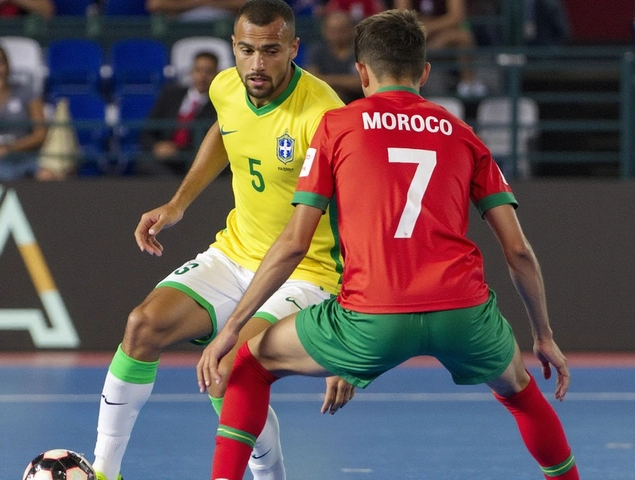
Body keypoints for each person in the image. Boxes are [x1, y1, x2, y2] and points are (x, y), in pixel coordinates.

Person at [199, 9, 580, 480]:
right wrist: (543, 336)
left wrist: (233, 327)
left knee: (246, 364)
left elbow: (297, 241)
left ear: (361, 72)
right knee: (521, 393)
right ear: (424, 72)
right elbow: (518, 251)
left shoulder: (337, 126)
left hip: (371, 319)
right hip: (462, 313)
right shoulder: (464, 136)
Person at [90, 1, 354, 480]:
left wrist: (351, 347)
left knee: (229, 368)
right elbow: (223, 129)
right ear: (233, 46)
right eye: (247, 50)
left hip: (308, 272)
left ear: (293, 48)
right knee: (142, 325)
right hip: (236, 253)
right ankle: (105, 472)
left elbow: (361, 216)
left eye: (271, 51)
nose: (257, 63)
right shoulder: (227, 85)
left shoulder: (323, 116)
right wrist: (179, 202)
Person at [139, 51, 219, 176]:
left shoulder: (218, 105)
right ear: (191, 72)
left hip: (193, 162)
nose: (203, 76)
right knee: (145, 165)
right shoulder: (170, 95)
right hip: (164, 161)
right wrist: (156, 146)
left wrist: (178, 150)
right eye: (199, 70)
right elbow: (148, 129)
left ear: (216, 75)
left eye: (208, 71)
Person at [393, 0, 487, 97]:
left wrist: (429, 27)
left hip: (443, 33)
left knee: (464, 37)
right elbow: (402, 16)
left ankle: (468, 85)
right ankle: (406, 89)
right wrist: (420, 29)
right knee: (400, 40)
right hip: (416, 36)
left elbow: (456, 16)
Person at [0, 43, 47, 181]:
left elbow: (40, 133)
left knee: (47, 175)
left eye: (0, 61)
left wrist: (11, 148)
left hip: (25, 156)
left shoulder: (25, 91)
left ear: (8, 65)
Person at [306, 10, 364, 104]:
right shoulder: (316, 50)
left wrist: (327, 79)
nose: (337, 34)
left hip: (358, 102)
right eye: (332, 30)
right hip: (324, 102)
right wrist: (347, 81)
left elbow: (362, 82)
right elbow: (312, 80)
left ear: (351, 30)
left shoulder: (361, 50)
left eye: (341, 30)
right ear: (324, 30)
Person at [146, 0, 245, 22]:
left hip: (225, 26)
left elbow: (245, 4)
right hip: (181, 27)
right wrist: (197, 2)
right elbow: (155, 4)